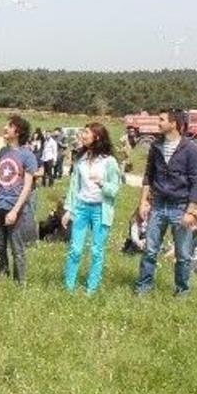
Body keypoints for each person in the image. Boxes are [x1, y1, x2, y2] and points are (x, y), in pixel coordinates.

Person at [134, 109, 197, 297]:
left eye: (162, 120)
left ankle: (182, 291)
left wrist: (191, 211)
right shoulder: (156, 147)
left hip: (180, 207)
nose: (158, 123)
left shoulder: (192, 149)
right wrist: (143, 202)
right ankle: (143, 288)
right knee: (149, 250)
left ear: (174, 124)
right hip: (158, 205)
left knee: (182, 255)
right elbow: (148, 176)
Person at [61, 123, 121, 295]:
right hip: (81, 207)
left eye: (86, 132)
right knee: (75, 249)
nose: (82, 134)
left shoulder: (109, 162)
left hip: (100, 210)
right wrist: (68, 209)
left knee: (96, 250)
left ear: (97, 137)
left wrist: (102, 183)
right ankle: (68, 287)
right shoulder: (81, 159)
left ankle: (91, 288)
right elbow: (74, 187)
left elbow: (115, 189)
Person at [0, 115, 37, 284]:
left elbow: (27, 187)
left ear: (18, 131)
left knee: (17, 249)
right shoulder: (3, 152)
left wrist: (15, 210)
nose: (5, 128)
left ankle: (20, 283)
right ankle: (2, 277)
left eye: (9, 126)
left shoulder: (27, 156)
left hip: (15, 208)